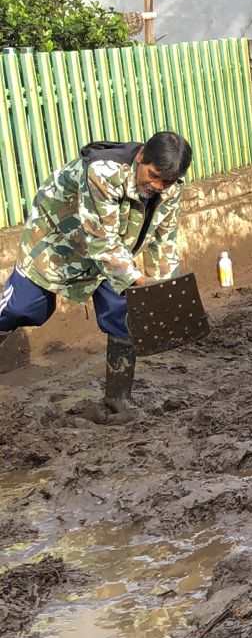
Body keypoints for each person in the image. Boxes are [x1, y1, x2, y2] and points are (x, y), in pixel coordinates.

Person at [0, 132, 193, 423]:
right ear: (141, 156)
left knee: (123, 312)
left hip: (112, 243)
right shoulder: (102, 171)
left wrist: (165, 286)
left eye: (166, 181)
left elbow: (163, 240)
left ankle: (117, 401)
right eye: (153, 176)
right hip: (58, 238)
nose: (158, 186)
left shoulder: (170, 187)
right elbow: (101, 242)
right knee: (25, 308)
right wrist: (138, 282)